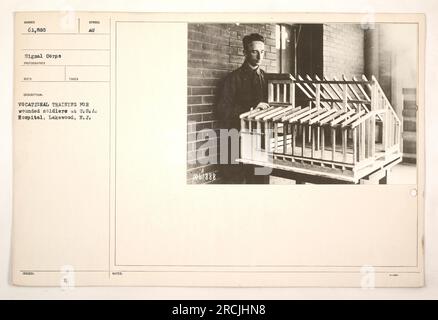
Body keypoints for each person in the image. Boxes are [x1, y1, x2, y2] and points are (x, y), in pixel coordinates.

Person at [216, 33, 270, 184]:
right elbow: (222, 109)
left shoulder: (266, 78)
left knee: (261, 182)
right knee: (236, 183)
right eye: (254, 51)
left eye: (262, 52)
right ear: (244, 52)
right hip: (237, 139)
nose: (259, 56)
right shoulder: (233, 79)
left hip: (260, 140)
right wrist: (251, 108)